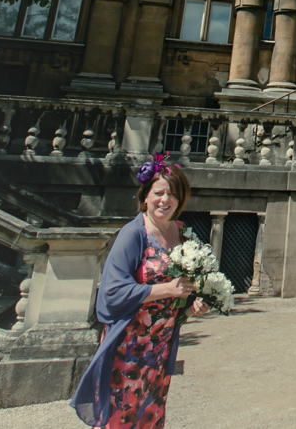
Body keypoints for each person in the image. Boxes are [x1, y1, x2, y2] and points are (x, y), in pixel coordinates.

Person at [72, 155, 208, 428]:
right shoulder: (133, 234)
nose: (165, 200)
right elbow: (112, 292)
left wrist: (191, 306)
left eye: (173, 195)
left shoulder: (181, 234)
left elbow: (182, 293)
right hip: (130, 345)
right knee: (122, 417)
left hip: (161, 346)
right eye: (158, 193)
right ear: (145, 196)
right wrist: (166, 289)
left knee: (151, 416)